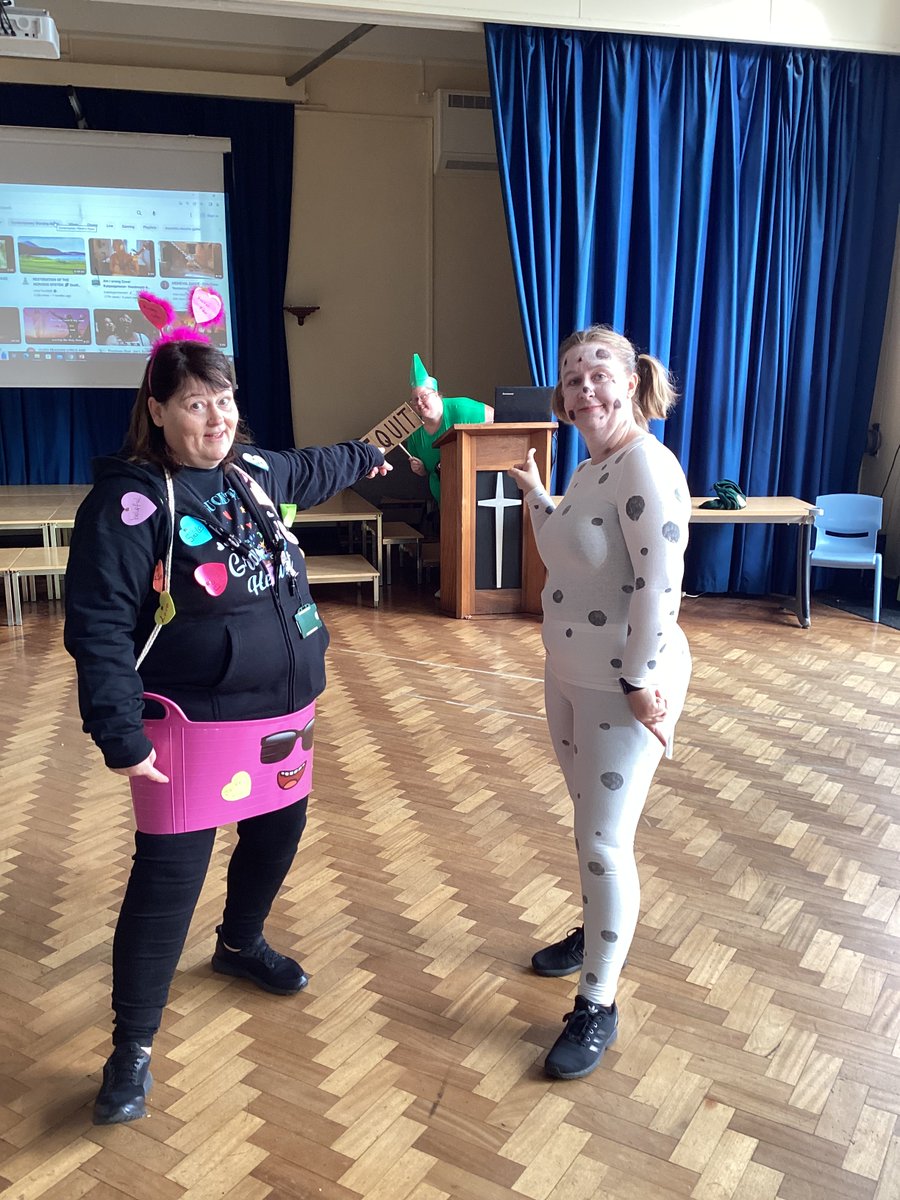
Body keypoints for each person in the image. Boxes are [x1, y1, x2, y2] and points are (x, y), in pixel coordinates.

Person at [64, 311, 390, 1125]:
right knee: (169, 880)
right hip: (190, 723)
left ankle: (241, 943)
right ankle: (131, 1049)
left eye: (226, 398)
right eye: (198, 403)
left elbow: (317, 466)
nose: (217, 416)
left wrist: (387, 439)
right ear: (160, 409)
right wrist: (120, 734)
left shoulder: (248, 472)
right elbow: (98, 623)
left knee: (278, 833)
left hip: (281, 709)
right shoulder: (131, 504)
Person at [507, 324, 691, 1081]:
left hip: (624, 684)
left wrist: (641, 678)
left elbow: (660, 581)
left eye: (599, 375)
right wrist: (535, 495)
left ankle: (598, 1003)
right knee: (589, 828)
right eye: (573, 378)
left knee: (605, 842)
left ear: (632, 383)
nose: (586, 389)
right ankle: (594, 931)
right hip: (569, 676)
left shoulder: (645, 463)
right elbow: (570, 542)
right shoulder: (590, 470)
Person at [403, 353, 493, 503]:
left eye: (424, 396)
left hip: (475, 493)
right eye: (415, 399)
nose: (419, 402)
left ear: (437, 394)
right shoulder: (414, 432)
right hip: (444, 498)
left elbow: (500, 418)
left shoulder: (462, 408)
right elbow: (425, 470)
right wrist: (420, 469)